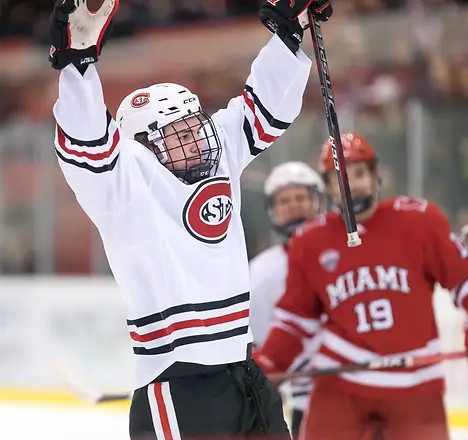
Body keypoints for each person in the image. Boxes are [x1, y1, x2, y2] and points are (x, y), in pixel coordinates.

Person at [48, 0, 333, 438]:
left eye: (196, 125)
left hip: (244, 370)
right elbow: (85, 139)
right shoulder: (123, 184)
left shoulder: (216, 152)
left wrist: (288, 31)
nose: (199, 138)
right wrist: (77, 63)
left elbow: (266, 107)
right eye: (181, 132)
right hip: (179, 383)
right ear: (143, 143)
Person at [254, 132, 468, 440]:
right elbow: (296, 319)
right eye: (340, 177)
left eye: (359, 174)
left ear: (374, 175)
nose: (351, 184)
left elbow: (463, 279)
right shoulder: (310, 241)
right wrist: (269, 363)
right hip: (342, 385)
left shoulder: (420, 221)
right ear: (327, 186)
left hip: (415, 387)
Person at [249, 161, 325, 439]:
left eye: (301, 197)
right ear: (273, 209)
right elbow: (259, 344)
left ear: (318, 200)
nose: (294, 205)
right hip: (305, 403)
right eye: (285, 200)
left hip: (355, 389)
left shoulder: (346, 251)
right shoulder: (260, 272)